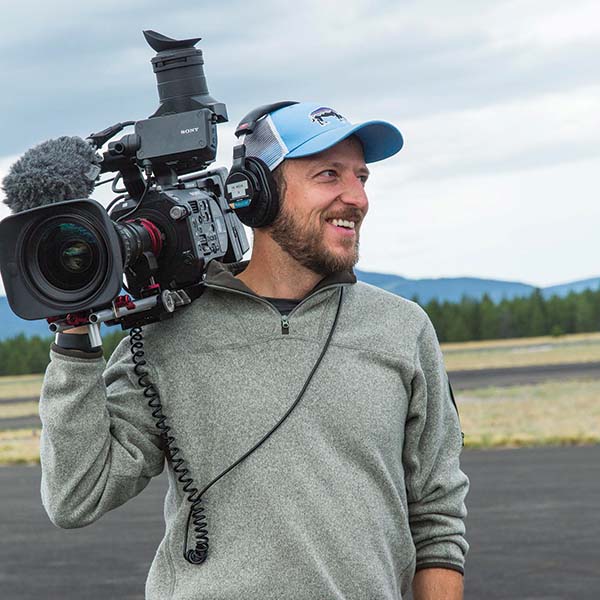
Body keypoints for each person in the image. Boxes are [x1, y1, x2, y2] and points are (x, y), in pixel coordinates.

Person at [40, 101, 469, 600]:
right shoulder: (164, 336)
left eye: (362, 178)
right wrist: (73, 338)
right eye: (328, 175)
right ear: (256, 193)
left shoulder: (401, 328)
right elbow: (76, 498)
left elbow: (437, 517)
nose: (356, 198)